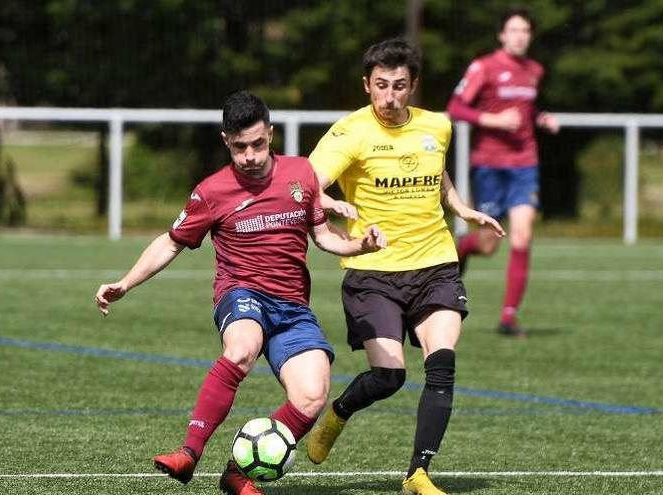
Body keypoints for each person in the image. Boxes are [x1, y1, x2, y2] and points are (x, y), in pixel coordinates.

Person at [94, 90, 386, 495]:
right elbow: (171, 241)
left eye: (257, 144)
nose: (249, 155)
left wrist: (360, 246)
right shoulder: (211, 192)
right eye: (239, 147)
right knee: (242, 348)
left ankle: (237, 473)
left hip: (292, 306)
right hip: (241, 292)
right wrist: (125, 282)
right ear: (225, 141)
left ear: (270, 133)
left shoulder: (302, 175)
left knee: (312, 396)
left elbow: (324, 236)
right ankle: (189, 453)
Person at [304, 39, 504, 495]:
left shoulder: (438, 126)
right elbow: (306, 183)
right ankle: (338, 413)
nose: (390, 97)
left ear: (413, 86)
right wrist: (333, 201)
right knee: (389, 377)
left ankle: (418, 473)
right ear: (367, 85)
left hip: (435, 263)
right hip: (374, 273)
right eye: (380, 86)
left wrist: (461, 208)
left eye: (399, 86)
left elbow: (437, 172)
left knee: (443, 364)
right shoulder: (349, 133)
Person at [446, 6, 560, 338]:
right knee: (488, 244)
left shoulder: (534, 70)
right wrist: (493, 120)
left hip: (525, 164)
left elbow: (527, 109)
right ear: (502, 35)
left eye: (525, 30)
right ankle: (462, 247)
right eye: (514, 30)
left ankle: (508, 317)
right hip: (489, 166)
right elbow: (456, 107)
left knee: (522, 236)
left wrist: (541, 119)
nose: (520, 36)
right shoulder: (484, 67)